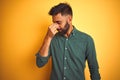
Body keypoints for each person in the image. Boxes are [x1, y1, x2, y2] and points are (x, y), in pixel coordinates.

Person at [36, 3, 101, 80]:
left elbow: (94, 70)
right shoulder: (51, 39)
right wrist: (48, 37)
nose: (55, 26)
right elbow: (40, 63)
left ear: (69, 19)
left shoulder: (87, 40)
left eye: (58, 22)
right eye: (54, 23)